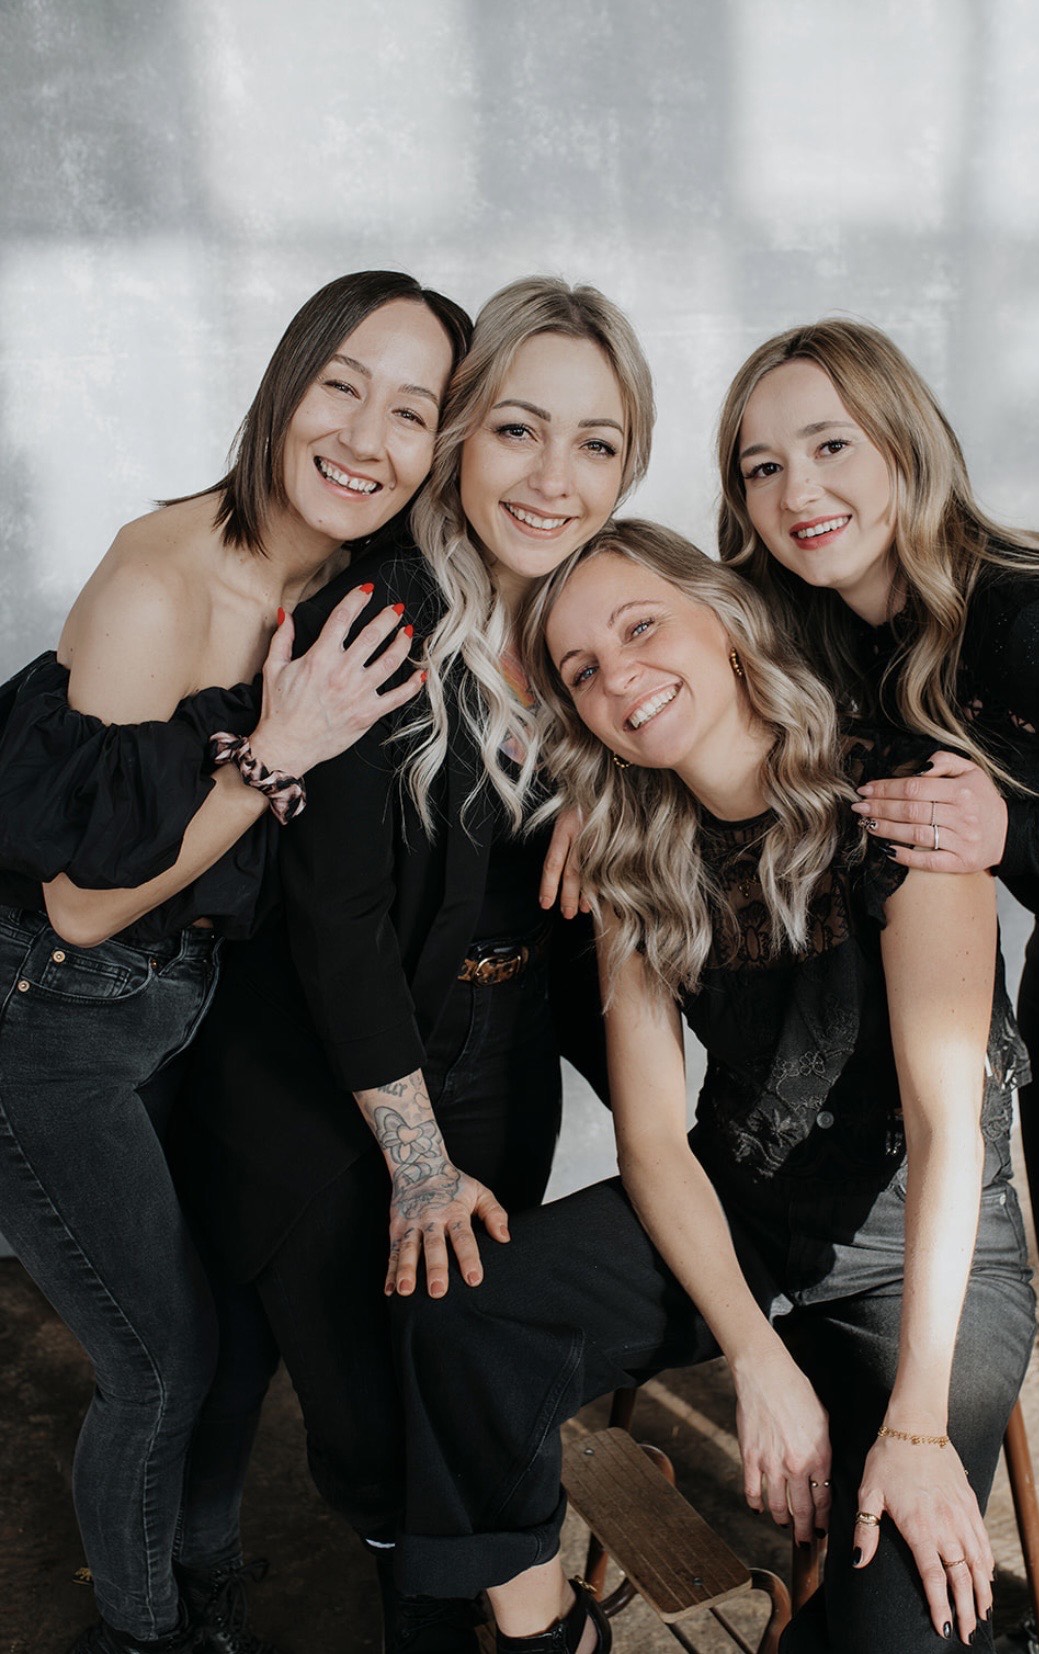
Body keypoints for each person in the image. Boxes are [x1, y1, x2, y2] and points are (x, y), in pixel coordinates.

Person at [383, 520, 1036, 1653]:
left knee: (902, 1627)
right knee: (463, 1310)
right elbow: (650, 1138)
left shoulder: (897, 800)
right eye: (582, 670)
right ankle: (546, 1636)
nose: (620, 679)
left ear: (726, 620)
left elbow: (945, 1133)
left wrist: (917, 1429)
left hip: (919, 1256)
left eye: (641, 627)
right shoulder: (628, 846)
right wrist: (755, 1356)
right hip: (745, 1214)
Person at [174, 275, 656, 1652]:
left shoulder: (591, 625)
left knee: (459, 1402)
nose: (554, 478)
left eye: (596, 443)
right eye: (517, 429)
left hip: (497, 1063)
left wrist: (614, 795)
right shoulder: (378, 617)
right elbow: (333, 927)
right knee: (385, 1440)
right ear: (458, 435)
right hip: (330, 1090)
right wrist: (420, 1166)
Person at [0, 268, 471, 1654]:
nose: (366, 438)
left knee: (226, 1325)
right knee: (160, 1363)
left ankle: (201, 1570)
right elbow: (81, 909)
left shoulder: (347, 577)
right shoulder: (162, 581)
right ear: (283, 384)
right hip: (54, 1015)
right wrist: (278, 753)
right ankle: (144, 1632)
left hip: (185, 1003)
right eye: (341, 387)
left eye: (411, 412)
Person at [715, 317, 1039, 1654]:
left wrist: (1014, 835)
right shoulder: (832, 631)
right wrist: (599, 804)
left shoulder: (1031, 623)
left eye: (829, 446)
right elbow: (670, 672)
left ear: (904, 447)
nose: (797, 491)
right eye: (759, 466)